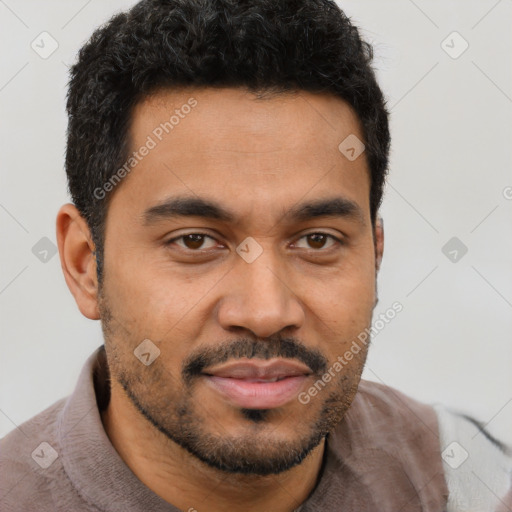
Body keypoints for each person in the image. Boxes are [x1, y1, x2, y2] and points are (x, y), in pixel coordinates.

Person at [1, 0, 511, 510]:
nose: (266, 313)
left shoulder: (468, 483)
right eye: (196, 241)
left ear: (375, 255)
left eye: (317, 240)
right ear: (85, 265)